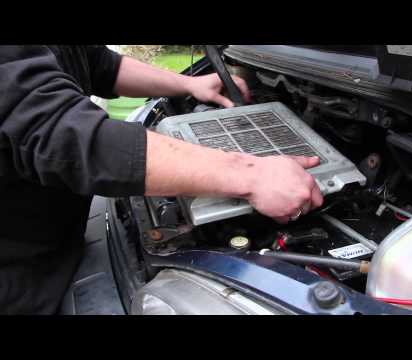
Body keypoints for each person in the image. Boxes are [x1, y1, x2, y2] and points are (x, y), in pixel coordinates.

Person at [0, 45, 324, 314]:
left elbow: (100, 65)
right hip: (20, 281)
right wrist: (251, 175)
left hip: (59, 243)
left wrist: (188, 85)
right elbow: (63, 134)